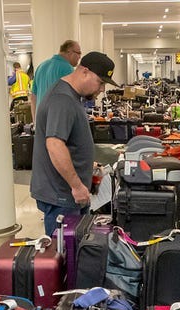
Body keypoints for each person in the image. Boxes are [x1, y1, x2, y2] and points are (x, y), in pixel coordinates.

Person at [30, 51, 118, 236]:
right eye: (100, 82)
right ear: (84, 71)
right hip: (61, 194)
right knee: (64, 254)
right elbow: (55, 145)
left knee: (74, 250)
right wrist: (77, 186)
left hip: (68, 193)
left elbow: (68, 140)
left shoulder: (71, 96)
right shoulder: (62, 99)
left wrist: (87, 165)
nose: (102, 89)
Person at [29, 40, 82, 117]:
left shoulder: (41, 66)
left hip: (41, 120)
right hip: (57, 120)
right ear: (69, 52)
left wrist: (35, 122)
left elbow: (33, 97)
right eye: (79, 53)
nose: (80, 56)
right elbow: (73, 100)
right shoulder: (68, 68)